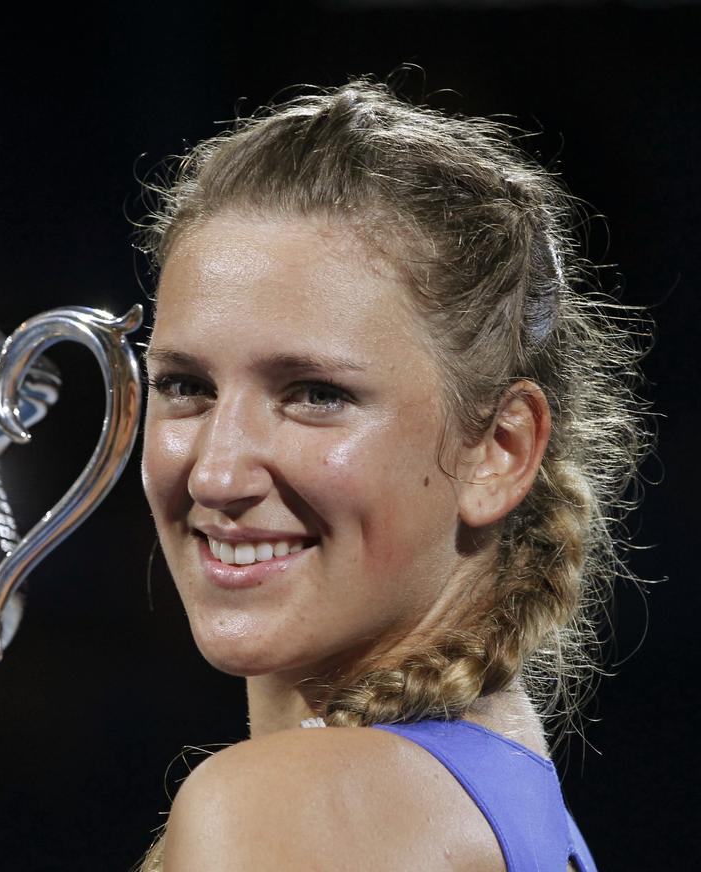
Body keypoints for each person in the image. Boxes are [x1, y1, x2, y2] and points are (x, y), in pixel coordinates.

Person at [134, 79, 647, 871]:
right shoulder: (488, 804)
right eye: (186, 387)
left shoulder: (294, 812)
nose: (217, 472)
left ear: (500, 451)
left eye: (315, 395)